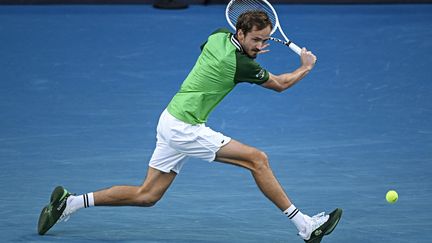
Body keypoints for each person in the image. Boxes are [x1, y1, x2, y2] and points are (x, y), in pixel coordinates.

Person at [38, 10, 342, 242]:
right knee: (257, 159)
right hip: (185, 127)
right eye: (256, 40)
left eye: (264, 40)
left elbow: (211, 51)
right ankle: (304, 225)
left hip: (170, 118)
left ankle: (70, 203)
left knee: (148, 195)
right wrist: (305, 66)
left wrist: (246, 52)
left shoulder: (217, 36)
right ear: (240, 31)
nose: (261, 44)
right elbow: (280, 85)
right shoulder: (242, 65)